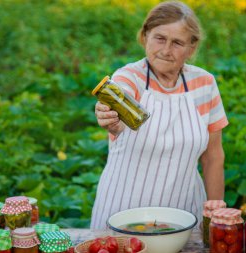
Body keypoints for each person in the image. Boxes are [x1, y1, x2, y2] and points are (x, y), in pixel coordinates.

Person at [90, 0, 228, 229]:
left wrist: (216, 216)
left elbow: (213, 156)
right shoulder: (129, 77)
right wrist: (110, 116)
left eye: (177, 43)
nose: (166, 50)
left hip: (184, 216)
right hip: (121, 214)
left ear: (191, 47)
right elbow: (118, 101)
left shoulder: (204, 84)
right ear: (145, 36)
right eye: (160, 38)